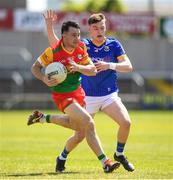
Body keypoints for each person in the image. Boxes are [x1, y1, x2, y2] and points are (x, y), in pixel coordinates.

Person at [43, 10, 135, 172]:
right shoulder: (81, 45)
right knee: (80, 135)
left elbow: (128, 66)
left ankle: (119, 154)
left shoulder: (113, 45)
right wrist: (50, 27)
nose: (99, 31)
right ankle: (62, 157)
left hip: (109, 95)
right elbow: (56, 44)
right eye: (96, 28)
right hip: (87, 98)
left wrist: (110, 65)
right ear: (90, 30)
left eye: (102, 27)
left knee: (126, 122)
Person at [28, 19, 120, 173]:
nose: (77, 38)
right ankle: (106, 162)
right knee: (89, 123)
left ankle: (46, 123)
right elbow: (35, 68)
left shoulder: (81, 48)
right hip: (63, 96)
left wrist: (78, 67)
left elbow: (93, 70)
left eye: (78, 35)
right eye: (73, 35)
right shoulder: (52, 52)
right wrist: (44, 78)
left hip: (78, 93)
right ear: (63, 36)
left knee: (80, 132)